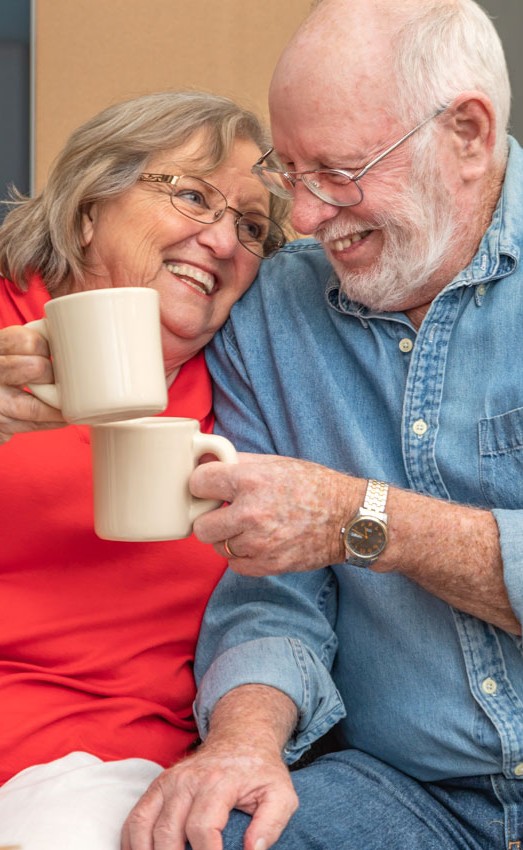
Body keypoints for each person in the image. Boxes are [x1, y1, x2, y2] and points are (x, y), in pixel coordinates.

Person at [120, 2, 523, 849]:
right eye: (288, 172)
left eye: (338, 171)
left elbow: (341, 523)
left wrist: (361, 520)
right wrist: (242, 742)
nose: (301, 218)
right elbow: (272, 593)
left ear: (468, 134)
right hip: (405, 791)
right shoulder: (273, 316)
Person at [0, 89, 287, 849]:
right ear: (89, 208)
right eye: (193, 196)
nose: (223, 242)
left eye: (251, 227)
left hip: (92, 771)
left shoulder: (248, 388)